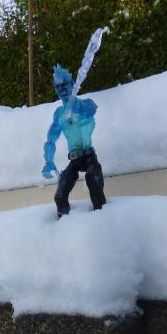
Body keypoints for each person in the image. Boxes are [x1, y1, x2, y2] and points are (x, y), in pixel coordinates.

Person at [42, 63, 106, 218]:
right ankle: (62, 224)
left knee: (93, 180)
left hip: (89, 156)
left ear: (72, 85)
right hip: (75, 159)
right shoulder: (59, 115)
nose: (61, 89)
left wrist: (76, 106)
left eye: (64, 85)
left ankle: (103, 217)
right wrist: (48, 161)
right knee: (60, 192)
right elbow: (51, 139)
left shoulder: (85, 104)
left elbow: (91, 110)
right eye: (58, 87)